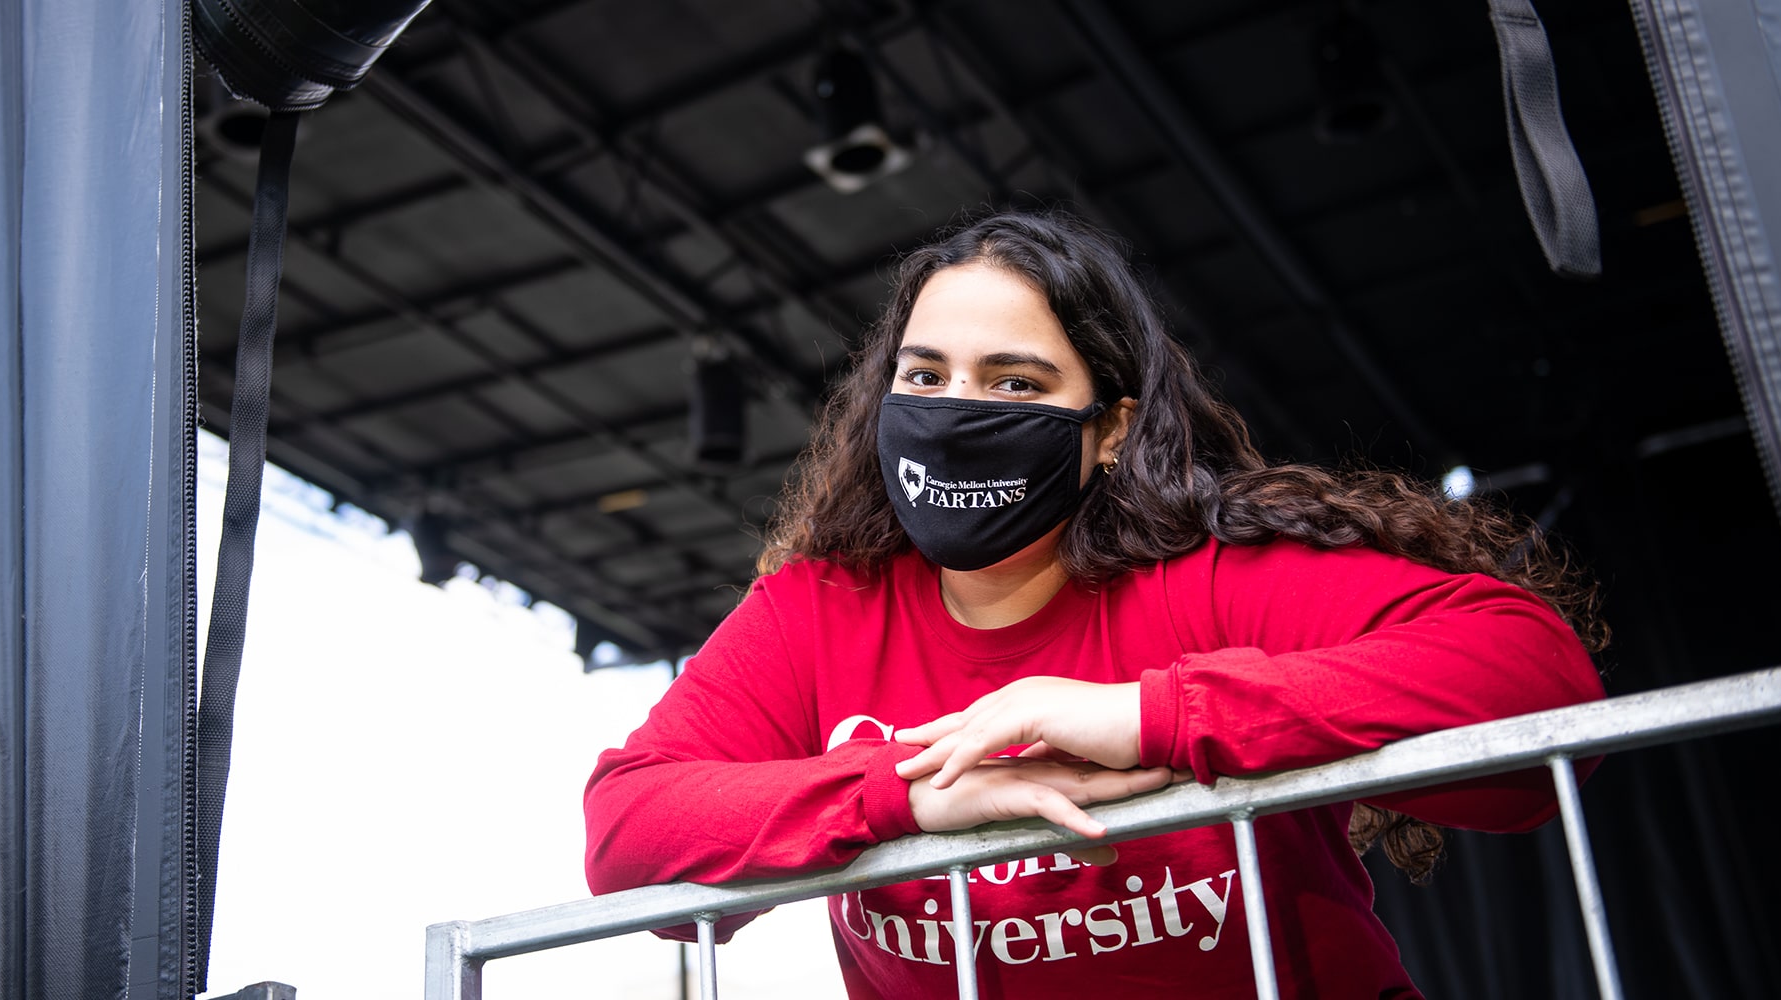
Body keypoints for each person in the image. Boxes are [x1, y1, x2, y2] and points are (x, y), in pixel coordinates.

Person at [583, 210, 1606, 998]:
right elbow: (627, 832)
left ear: (1108, 427)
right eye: (925, 374)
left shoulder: (1209, 580)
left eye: (1015, 383)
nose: (955, 413)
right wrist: (895, 796)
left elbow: (1533, 677)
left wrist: (1147, 717)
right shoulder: (820, 609)